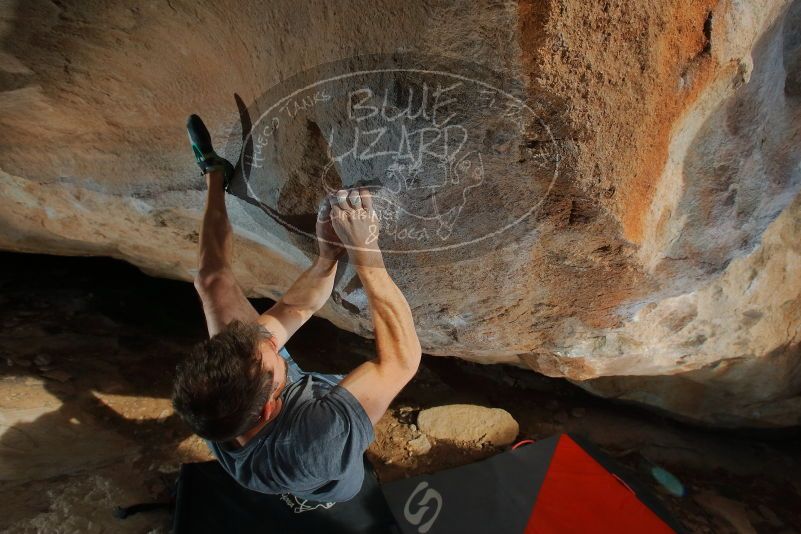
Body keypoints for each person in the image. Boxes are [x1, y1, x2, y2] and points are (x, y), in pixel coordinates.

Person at [171, 115, 422, 503]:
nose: (273, 340)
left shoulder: (211, 404)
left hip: (272, 405)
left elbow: (292, 308)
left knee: (211, 282)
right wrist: (367, 254)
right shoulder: (321, 437)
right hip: (327, 470)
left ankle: (215, 174)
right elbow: (401, 363)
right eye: (272, 356)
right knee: (359, 416)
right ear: (271, 406)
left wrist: (327, 259)